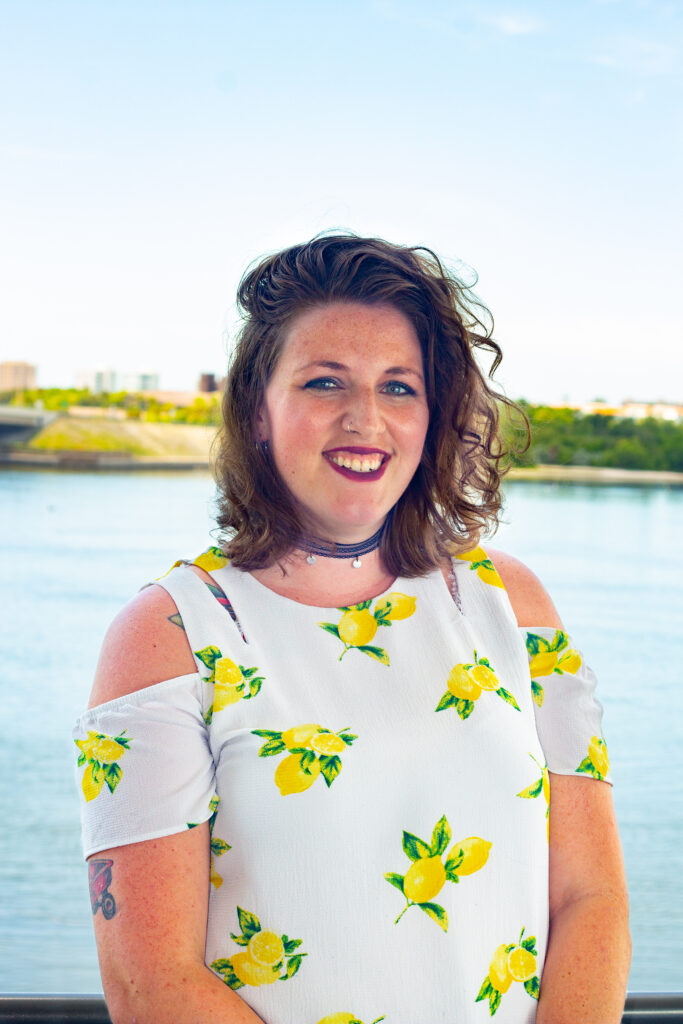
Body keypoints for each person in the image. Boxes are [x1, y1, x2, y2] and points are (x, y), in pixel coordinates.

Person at [74, 233, 630, 1024]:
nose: (363, 419)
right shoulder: (169, 633)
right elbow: (151, 985)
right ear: (258, 412)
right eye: (324, 381)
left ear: (432, 414)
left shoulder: (512, 604)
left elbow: (590, 898)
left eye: (398, 388)